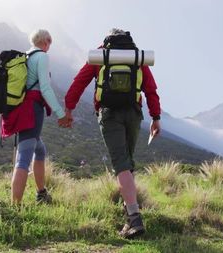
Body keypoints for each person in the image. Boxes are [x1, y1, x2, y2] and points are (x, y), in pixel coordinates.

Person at [64, 28, 161, 239]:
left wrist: (69, 108)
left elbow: (79, 82)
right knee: (127, 162)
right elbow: (150, 89)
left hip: (109, 113)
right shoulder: (136, 58)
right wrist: (156, 117)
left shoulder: (102, 56)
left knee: (121, 164)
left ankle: (134, 218)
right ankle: (130, 211)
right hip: (134, 114)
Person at [1, 29, 71, 204]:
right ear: (45, 41)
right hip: (32, 109)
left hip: (19, 108)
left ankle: (41, 193)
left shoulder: (25, 56)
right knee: (24, 156)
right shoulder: (42, 57)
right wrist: (61, 114)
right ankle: (15, 206)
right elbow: (45, 89)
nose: (50, 46)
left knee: (39, 149)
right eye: (50, 42)